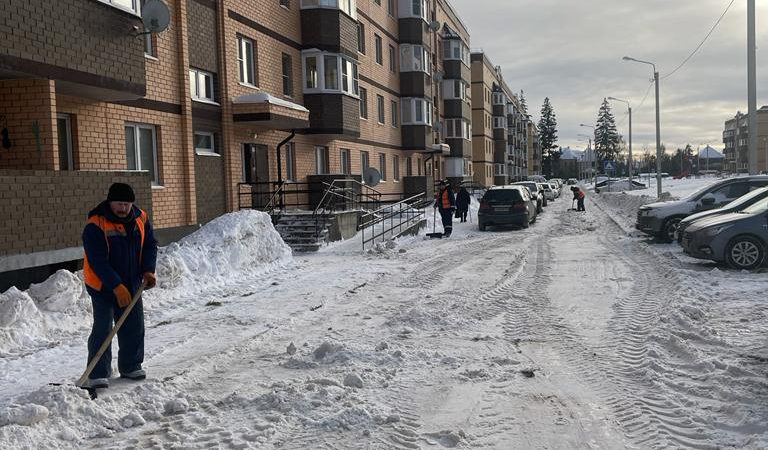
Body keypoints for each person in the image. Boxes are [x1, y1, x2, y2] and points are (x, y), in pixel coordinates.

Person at [82, 183, 158, 389]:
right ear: (110, 202)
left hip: (132, 281)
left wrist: (148, 270)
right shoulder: (96, 224)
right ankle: (97, 372)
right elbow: (98, 261)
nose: (123, 208)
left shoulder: (140, 217)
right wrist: (115, 285)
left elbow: (150, 244)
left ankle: (131, 365)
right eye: (118, 204)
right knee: (103, 327)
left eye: (126, 204)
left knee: (133, 325)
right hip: (102, 285)